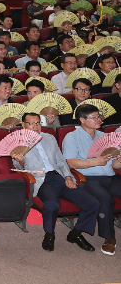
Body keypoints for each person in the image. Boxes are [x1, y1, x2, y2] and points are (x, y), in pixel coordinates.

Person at [12, 112, 99, 252]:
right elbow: (17, 167)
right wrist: (20, 160)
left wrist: (68, 177)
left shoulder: (49, 138)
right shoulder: (17, 140)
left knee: (93, 203)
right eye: (31, 123)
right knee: (52, 204)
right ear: (23, 125)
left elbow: (61, 160)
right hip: (41, 179)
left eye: (38, 123)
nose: (35, 126)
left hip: (58, 177)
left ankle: (75, 234)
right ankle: (49, 235)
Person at [63, 104, 121, 256]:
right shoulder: (71, 137)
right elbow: (70, 163)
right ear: (82, 120)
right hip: (88, 178)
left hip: (110, 176)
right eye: (94, 117)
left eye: (99, 116)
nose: (99, 120)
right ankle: (109, 238)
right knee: (105, 199)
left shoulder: (105, 137)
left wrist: (120, 161)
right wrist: (94, 162)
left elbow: (114, 164)